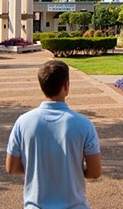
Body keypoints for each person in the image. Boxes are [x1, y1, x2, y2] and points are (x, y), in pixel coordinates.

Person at [6, 60, 101, 208]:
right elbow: (95, 172)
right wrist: (73, 169)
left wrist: (38, 170)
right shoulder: (84, 124)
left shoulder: (23, 122)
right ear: (66, 85)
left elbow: (11, 167)